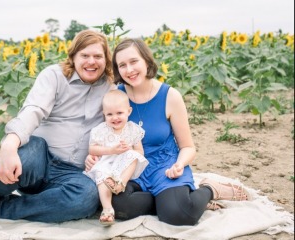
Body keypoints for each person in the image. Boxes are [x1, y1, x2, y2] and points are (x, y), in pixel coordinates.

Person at [0, 29, 116, 223]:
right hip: (39, 159)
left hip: (73, 173)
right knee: (24, 155)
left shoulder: (111, 86)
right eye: (85, 55)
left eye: (98, 56)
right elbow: (34, 109)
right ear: (73, 56)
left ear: (106, 59)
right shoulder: (55, 76)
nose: (91, 62)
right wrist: (9, 144)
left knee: (86, 197)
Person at [85, 38, 250, 226]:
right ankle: (170, 201)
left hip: (165, 167)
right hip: (131, 170)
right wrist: (94, 157)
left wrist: (179, 164)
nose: (129, 70)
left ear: (146, 61)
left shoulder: (170, 96)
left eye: (134, 61)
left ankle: (208, 190)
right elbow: (105, 133)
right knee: (117, 204)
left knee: (179, 215)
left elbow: (188, 146)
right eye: (122, 65)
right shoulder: (117, 96)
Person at [84, 90, 148, 225]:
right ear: (104, 114)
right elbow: (92, 149)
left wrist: (129, 149)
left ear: (129, 111)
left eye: (119, 113)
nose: (115, 118)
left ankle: (120, 184)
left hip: (124, 168)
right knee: (101, 174)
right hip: (106, 163)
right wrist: (111, 150)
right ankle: (107, 209)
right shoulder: (100, 130)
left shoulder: (133, 129)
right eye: (109, 114)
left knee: (134, 155)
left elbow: (140, 152)